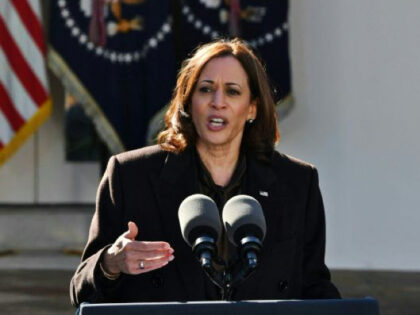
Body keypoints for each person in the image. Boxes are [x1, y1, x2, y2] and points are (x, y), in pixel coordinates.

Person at [70, 38, 340, 307]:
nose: (217, 102)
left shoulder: (297, 183)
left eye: (232, 91)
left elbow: (315, 287)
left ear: (253, 108)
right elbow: (81, 293)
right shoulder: (130, 176)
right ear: (188, 102)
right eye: (206, 89)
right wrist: (110, 263)